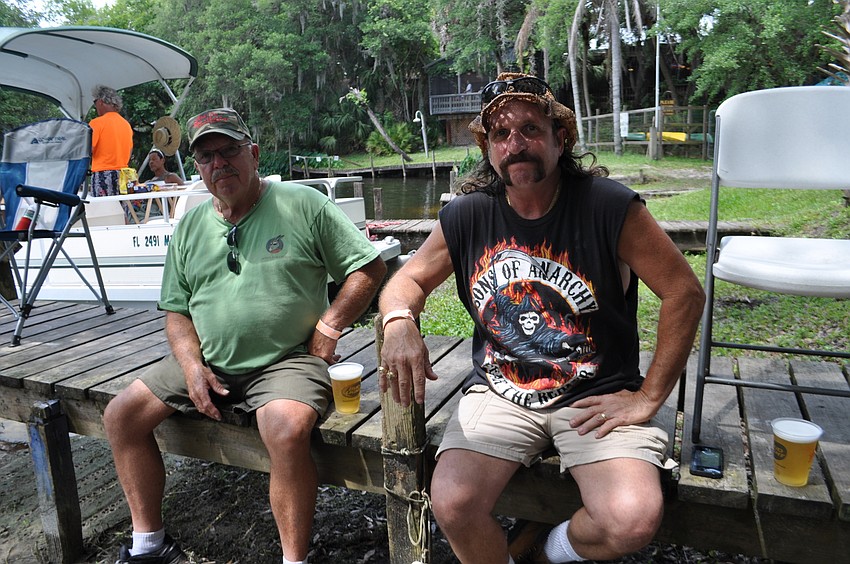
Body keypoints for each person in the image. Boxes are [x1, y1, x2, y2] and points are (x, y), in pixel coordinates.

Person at [377, 72, 705, 564]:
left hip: (595, 394)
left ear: (560, 137)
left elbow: (683, 292)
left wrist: (649, 396)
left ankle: (549, 552)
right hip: (502, 391)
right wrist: (399, 322)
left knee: (631, 519)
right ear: (487, 148)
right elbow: (409, 280)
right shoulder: (468, 214)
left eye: (530, 129)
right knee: (452, 502)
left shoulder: (610, 208)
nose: (516, 144)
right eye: (501, 135)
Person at [103, 107, 387, 564]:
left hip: (288, 360)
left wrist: (330, 324)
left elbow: (368, 268)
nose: (220, 164)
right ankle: (150, 546)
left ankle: (294, 560)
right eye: (207, 157)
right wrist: (192, 366)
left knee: (285, 428)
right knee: (120, 416)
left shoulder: (303, 204)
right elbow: (177, 312)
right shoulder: (191, 225)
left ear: (253, 153)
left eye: (230, 151)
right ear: (197, 167)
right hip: (209, 360)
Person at [89, 85, 133, 197]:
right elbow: (130, 151)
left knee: (102, 212)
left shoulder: (96, 123)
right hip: (124, 176)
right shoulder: (126, 125)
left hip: (103, 175)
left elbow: (88, 150)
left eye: (95, 102)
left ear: (100, 101)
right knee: (122, 212)